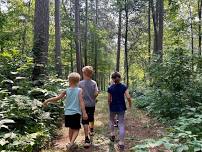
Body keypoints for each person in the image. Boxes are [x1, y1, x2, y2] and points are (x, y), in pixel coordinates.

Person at [43, 72, 88, 150]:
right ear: (78, 81)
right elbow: (81, 101)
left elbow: (57, 98)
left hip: (67, 113)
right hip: (76, 112)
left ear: (69, 81)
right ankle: (71, 143)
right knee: (76, 129)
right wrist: (84, 113)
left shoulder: (66, 90)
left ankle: (71, 144)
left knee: (71, 128)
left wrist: (47, 100)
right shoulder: (79, 90)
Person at [107, 72, 132, 151]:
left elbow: (108, 100)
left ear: (112, 79)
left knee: (111, 120)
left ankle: (112, 134)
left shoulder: (110, 88)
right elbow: (128, 97)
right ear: (120, 78)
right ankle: (121, 143)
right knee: (121, 124)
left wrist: (109, 106)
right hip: (121, 107)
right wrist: (130, 104)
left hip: (113, 107)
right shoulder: (124, 87)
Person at [79, 66, 99, 147]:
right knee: (91, 117)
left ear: (84, 73)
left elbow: (79, 94)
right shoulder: (94, 83)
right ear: (91, 74)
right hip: (91, 104)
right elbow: (96, 93)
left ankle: (86, 138)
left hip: (83, 105)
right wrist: (95, 96)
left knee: (85, 120)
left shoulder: (80, 83)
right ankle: (92, 130)